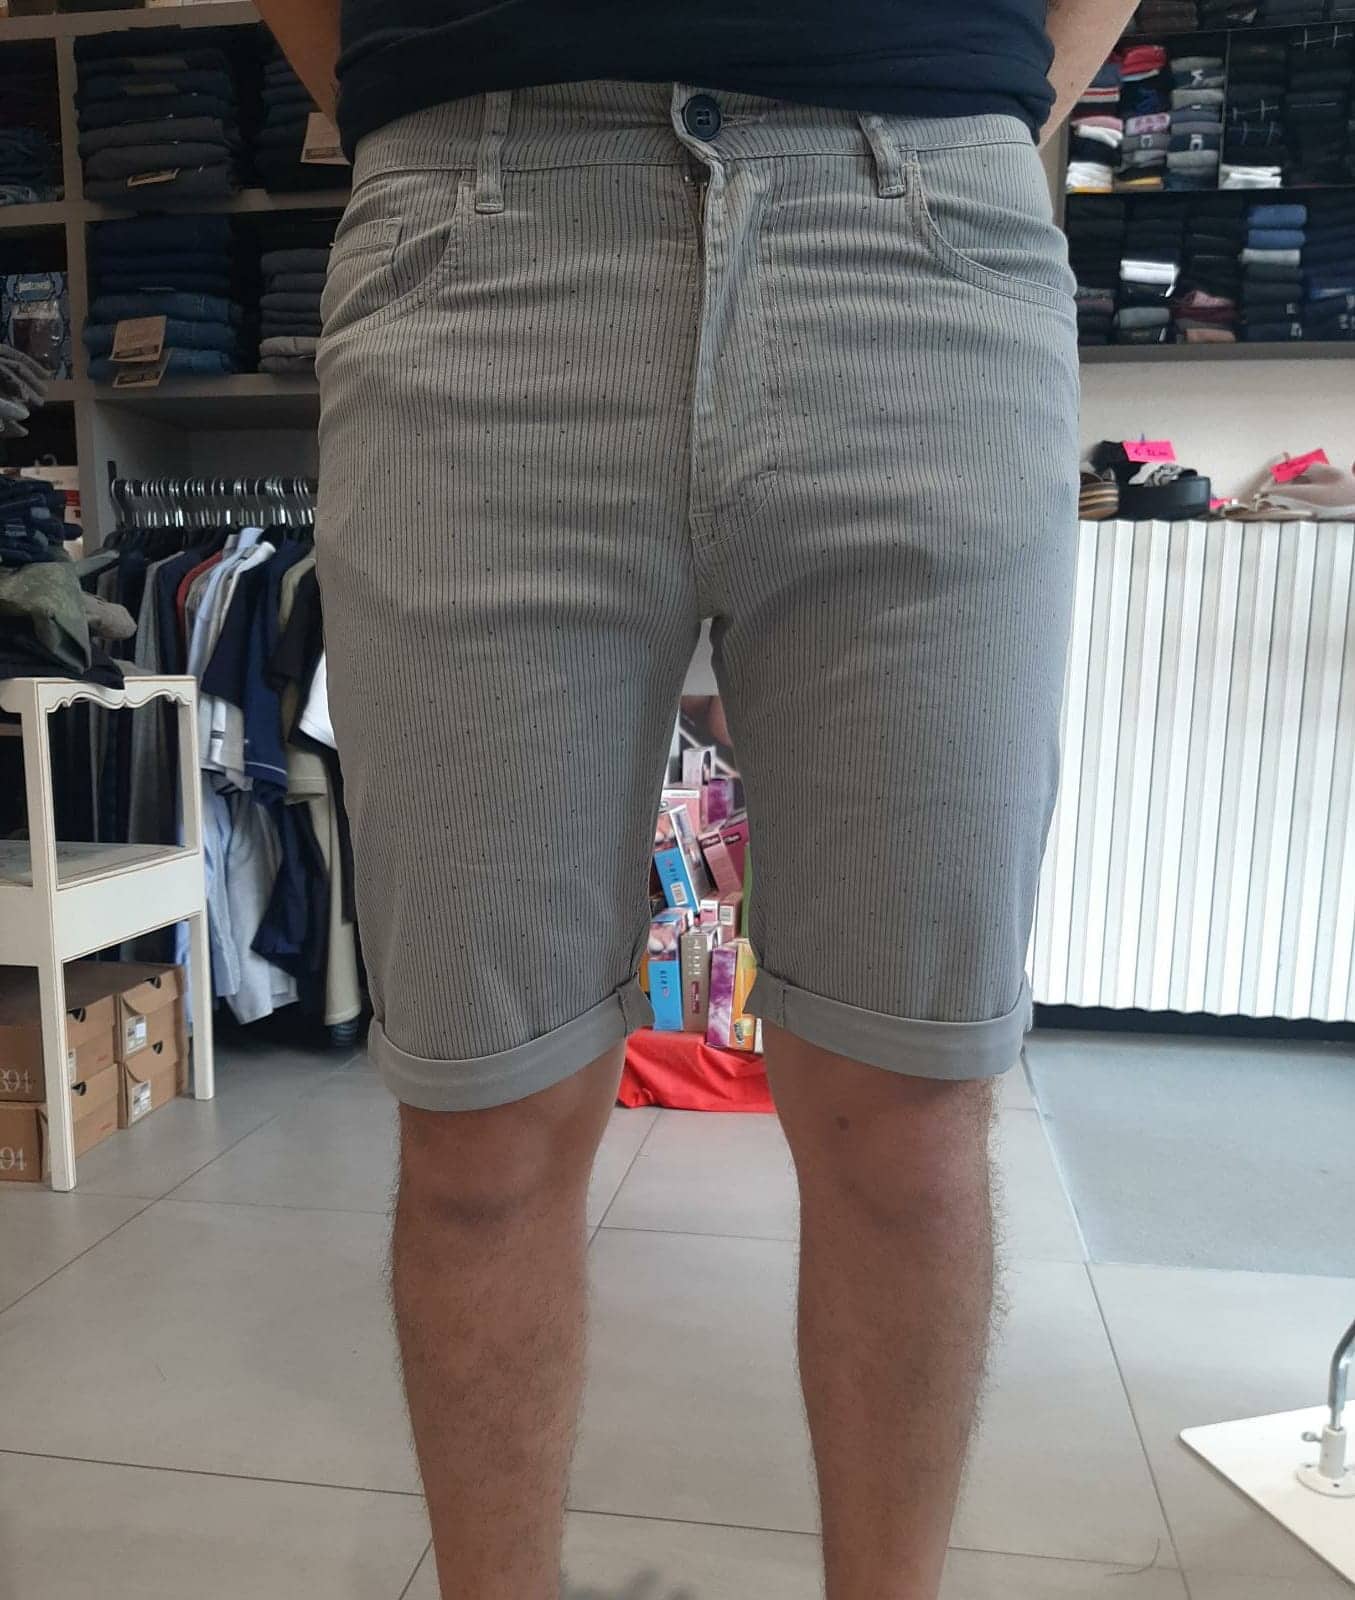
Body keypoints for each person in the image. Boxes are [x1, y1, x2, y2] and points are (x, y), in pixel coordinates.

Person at [258, 4, 1137, 1596]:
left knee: (910, 1112)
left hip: (918, 238)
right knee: (480, 1127)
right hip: (481, 232)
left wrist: (951, 83)